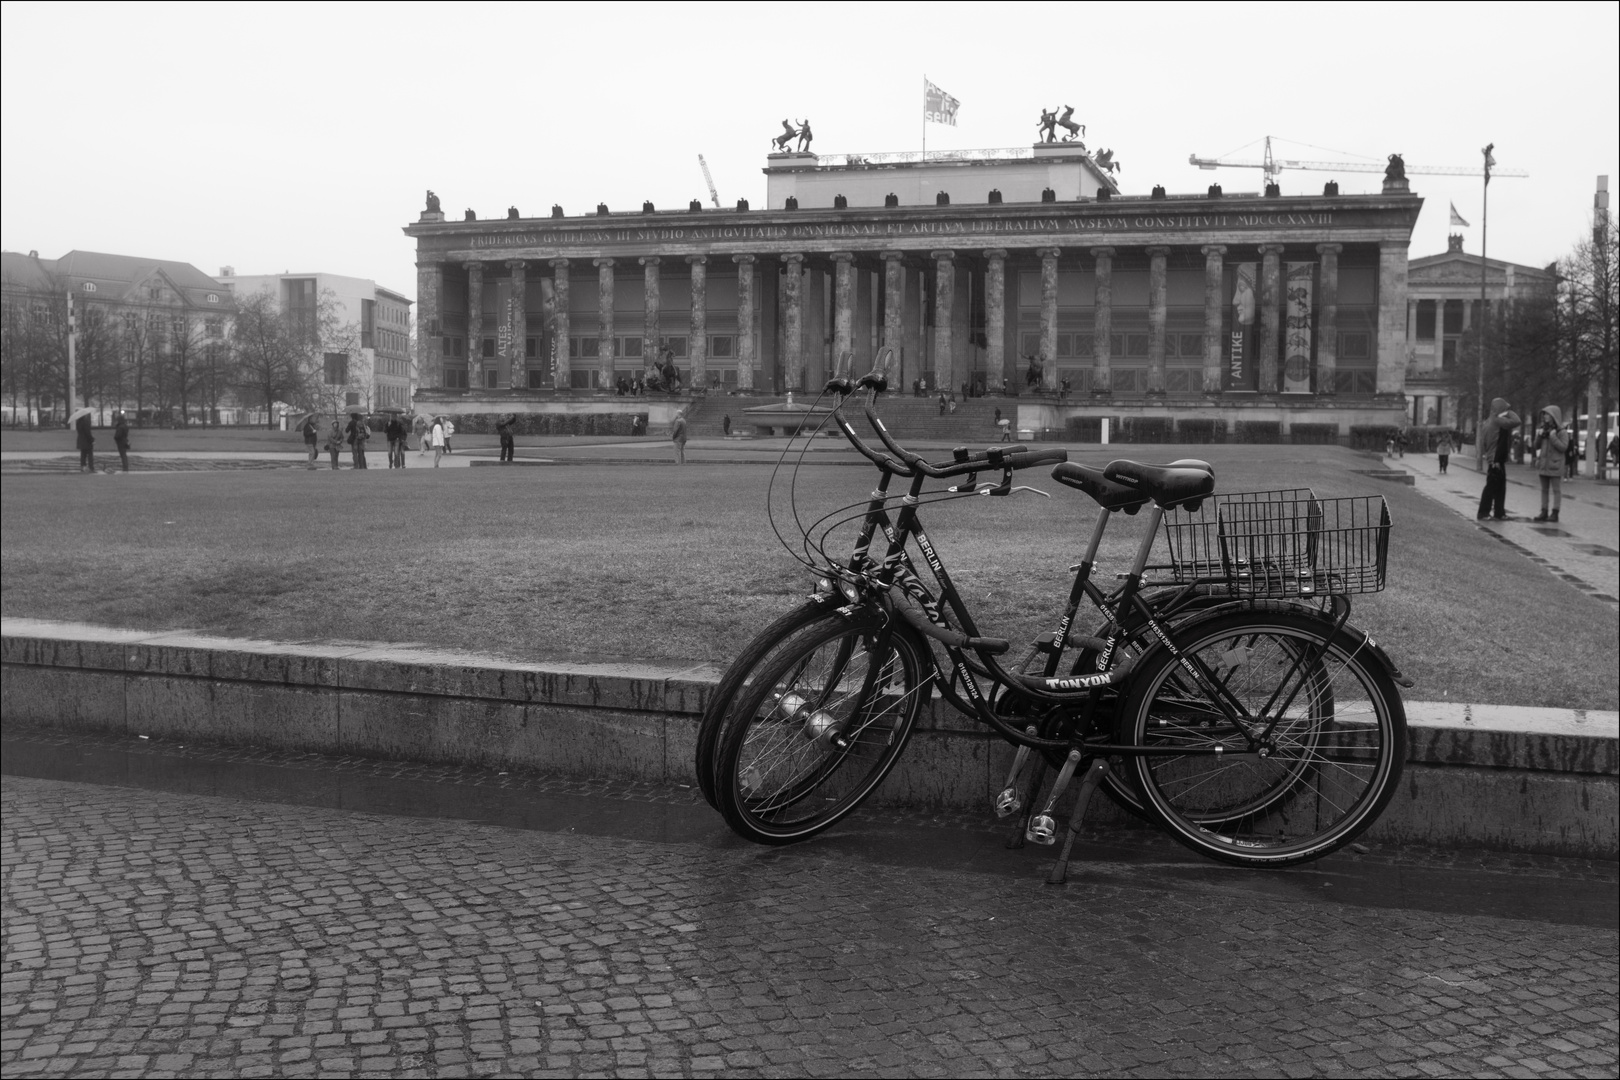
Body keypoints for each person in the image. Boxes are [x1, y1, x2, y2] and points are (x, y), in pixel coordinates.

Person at [1475, 397, 1520, 521]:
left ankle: (1499, 512)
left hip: (1493, 457)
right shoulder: (1498, 421)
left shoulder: (1487, 422)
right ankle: (1484, 512)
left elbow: (1483, 442)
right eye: (1504, 408)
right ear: (1500, 409)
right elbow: (1517, 421)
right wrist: (1509, 412)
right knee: (1492, 486)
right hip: (1496, 458)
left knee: (1499, 486)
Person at [1531, 406, 1570, 523]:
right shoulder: (1543, 430)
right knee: (1544, 489)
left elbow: (1563, 447)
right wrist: (1539, 435)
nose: (1544, 416)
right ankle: (1544, 511)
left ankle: (1555, 512)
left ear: (1554, 416)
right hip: (1543, 464)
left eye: (1547, 414)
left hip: (1555, 465)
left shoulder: (1561, 431)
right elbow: (1536, 446)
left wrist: (1553, 436)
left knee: (1556, 490)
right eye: (1544, 414)